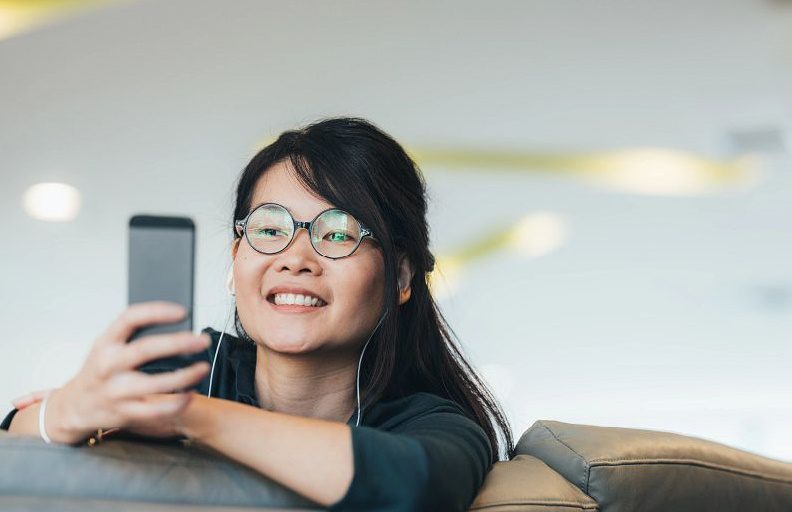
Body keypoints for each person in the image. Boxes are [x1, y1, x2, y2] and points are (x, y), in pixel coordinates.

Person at [2, 117, 514, 510]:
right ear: (236, 258)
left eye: (337, 233)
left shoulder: (436, 422)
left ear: (400, 278)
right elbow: (19, 436)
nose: (295, 257)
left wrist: (188, 415)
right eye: (270, 229)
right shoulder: (185, 364)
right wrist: (67, 410)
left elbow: (411, 485)